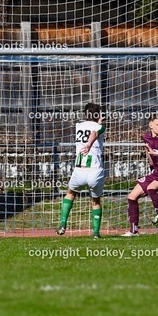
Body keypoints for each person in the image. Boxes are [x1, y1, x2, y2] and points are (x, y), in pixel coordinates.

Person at [123, 115, 158, 237]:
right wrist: (151, 168)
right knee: (132, 196)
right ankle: (134, 230)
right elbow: (149, 154)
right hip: (156, 172)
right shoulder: (146, 137)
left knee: (151, 189)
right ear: (151, 125)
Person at [57, 102, 105, 239]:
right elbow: (95, 131)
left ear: (85, 114)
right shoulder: (100, 127)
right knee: (96, 201)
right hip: (95, 171)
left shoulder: (78, 126)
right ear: (98, 115)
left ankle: (62, 224)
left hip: (80, 170)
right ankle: (96, 233)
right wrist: (90, 144)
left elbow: (92, 128)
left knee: (70, 194)